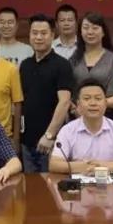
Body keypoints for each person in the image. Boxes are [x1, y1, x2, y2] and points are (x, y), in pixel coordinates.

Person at [19, 14, 74, 172]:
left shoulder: (62, 65)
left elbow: (64, 102)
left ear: (52, 35)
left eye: (43, 33)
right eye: (34, 33)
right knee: (30, 185)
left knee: (51, 185)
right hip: (27, 141)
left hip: (52, 142)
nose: (38, 37)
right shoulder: (25, 65)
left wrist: (49, 135)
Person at [50, 79, 113, 175]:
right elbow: (54, 164)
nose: (93, 103)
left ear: (105, 103)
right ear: (78, 104)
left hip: (110, 183)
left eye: (98, 98)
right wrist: (84, 167)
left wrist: (102, 167)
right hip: (78, 183)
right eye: (87, 98)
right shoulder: (67, 130)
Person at [69, 11, 113, 122]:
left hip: (109, 117)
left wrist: (99, 104)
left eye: (95, 28)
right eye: (86, 28)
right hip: (78, 118)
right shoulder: (73, 60)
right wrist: (74, 108)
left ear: (103, 32)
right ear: (80, 32)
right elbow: (66, 93)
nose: (90, 32)